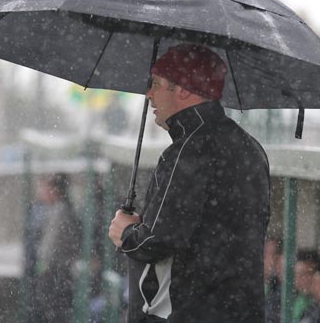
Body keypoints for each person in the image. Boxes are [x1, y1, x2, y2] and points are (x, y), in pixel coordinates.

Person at [108, 44, 271, 323]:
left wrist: (125, 232)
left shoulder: (188, 150)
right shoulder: (251, 147)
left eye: (156, 84)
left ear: (183, 90)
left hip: (186, 312)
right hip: (243, 311)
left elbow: (157, 240)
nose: (149, 94)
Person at [32, 173, 82, 323]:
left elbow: (52, 246)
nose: (42, 192)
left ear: (55, 190)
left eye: (46, 187)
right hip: (56, 272)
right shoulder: (58, 209)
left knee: (54, 311)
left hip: (57, 272)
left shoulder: (62, 211)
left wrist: (46, 264)